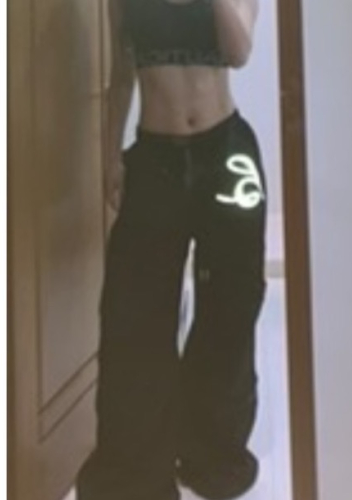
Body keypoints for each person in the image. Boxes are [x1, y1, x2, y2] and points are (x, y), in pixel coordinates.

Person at [76, 1, 267, 499]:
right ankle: (135, 475)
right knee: (132, 314)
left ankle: (212, 456)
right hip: (154, 159)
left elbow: (239, 51)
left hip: (227, 155)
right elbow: (121, 74)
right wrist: (110, 154)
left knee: (231, 307)